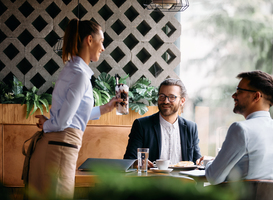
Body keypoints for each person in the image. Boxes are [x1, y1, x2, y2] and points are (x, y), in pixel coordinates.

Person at [24, 18, 122, 199]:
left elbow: (75, 116)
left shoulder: (73, 70)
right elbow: (63, 122)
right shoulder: (79, 75)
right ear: (89, 40)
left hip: (57, 147)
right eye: (101, 42)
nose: (103, 48)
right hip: (59, 151)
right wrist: (47, 125)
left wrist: (105, 108)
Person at [205, 70, 273, 185]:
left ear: (256, 96)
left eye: (239, 91)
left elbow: (213, 177)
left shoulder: (241, 129)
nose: (233, 95)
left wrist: (209, 163)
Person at [123, 78, 202, 167]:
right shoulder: (142, 125)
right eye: (162, 96)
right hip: (153, 179)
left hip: (183, 180)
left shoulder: (191, 127)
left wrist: (202, 161)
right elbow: (129, 160)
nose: (165, 101)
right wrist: (136, 163)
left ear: (182, 101)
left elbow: (197, 161)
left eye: (172, 97)